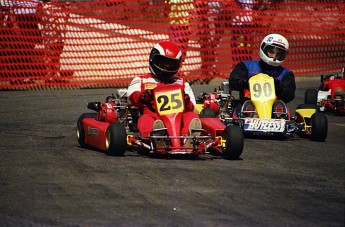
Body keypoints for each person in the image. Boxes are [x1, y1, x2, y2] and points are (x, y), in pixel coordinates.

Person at [127, 41, 201, 147]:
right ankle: (156, 137)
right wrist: (144, 97)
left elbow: (192, 107)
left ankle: (187, 139)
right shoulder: (142, 80)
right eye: (163, 62)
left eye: (170, 64)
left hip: (178, 121)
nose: (166, 66)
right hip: (154, 117)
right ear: (153, 59)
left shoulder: (181, 83)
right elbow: (131, 97)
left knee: (191, 116)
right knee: (144, 119)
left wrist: (186, 100)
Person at [228, 33, 296, 104]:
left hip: (274, 110)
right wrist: (245, 82)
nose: (274, 56)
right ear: (264, 49)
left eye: (278, 54)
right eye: (271, 52)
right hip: (247, 107)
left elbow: (289, 95)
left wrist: (278, 86)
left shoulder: (286, 74)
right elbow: (233, 82)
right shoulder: (246, 66)